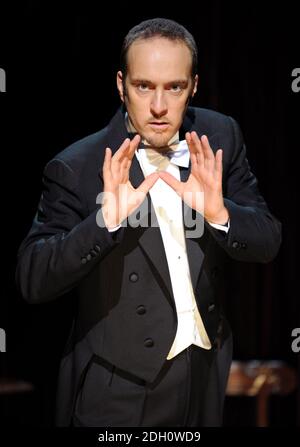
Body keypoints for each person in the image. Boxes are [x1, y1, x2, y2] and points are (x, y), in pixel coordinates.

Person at [16, 18, 281, 427]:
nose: (159, 106)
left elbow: (268, 240)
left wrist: (220, 214)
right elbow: (33, 279)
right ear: (121, 85)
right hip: (119, 388)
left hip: (203, 374)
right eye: (143, 86)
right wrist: (103, 222)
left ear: (193, 85)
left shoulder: (220, 137)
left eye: (174, 87)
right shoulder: (78, 165)